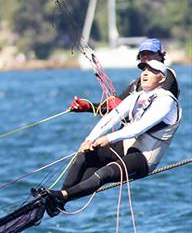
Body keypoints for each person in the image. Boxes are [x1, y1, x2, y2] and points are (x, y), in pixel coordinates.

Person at [40, 59, 182, 216]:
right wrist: (89, 139)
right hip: (127, 148)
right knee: (84, 156)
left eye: (152, 71)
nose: (145, 73)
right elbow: (111, 118)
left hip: (144, 158)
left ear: (161, 78)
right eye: (144, 70)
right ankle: (59, 200)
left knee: (105, 173)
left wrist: (109, 138)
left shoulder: (167, 101)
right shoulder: (136, 97)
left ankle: (60, 198)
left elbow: (140, 127)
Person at [70, 38, 178, 114]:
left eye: (151, 53)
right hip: (129, 133)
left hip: (149, 137)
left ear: (160, 56)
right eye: (143, 54)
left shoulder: (167, 76)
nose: (146, 57)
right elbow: (116, 105)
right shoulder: (137, 83)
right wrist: (87, 107)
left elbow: (157, 104)